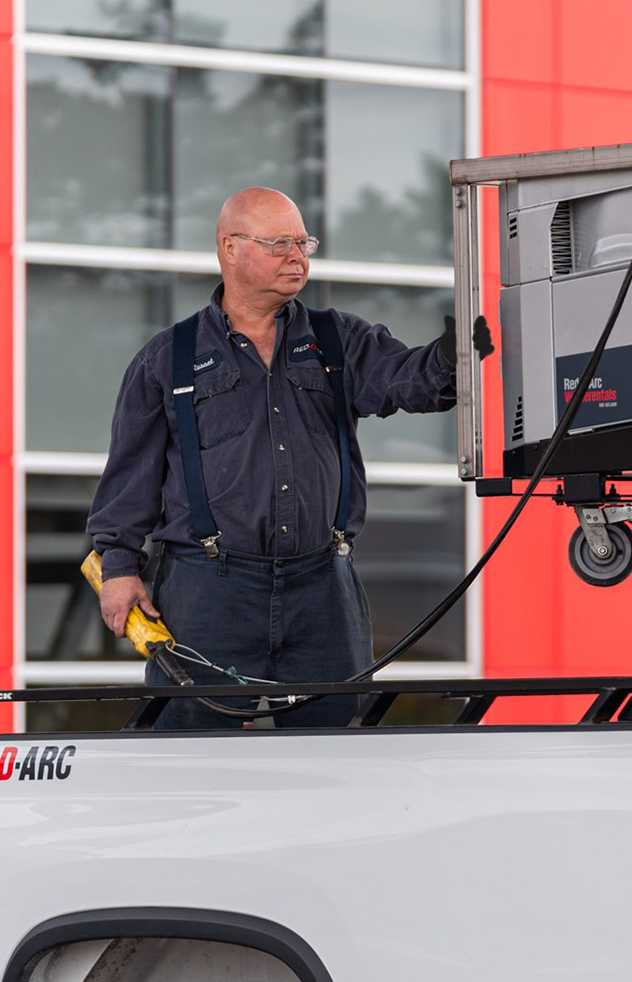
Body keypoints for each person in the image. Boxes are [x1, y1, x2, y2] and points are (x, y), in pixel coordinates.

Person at [86, 187, 491, 729]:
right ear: (230, 248)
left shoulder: (337, 339)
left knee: (336, 759)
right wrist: (118, 568)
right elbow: (128, 480)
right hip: (208, 592)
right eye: (280, 244)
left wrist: (451, 356)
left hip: (323, 587)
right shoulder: (168, 358)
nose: (297, 257)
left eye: (304, 243)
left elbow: (407, 382)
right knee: (189, 759)